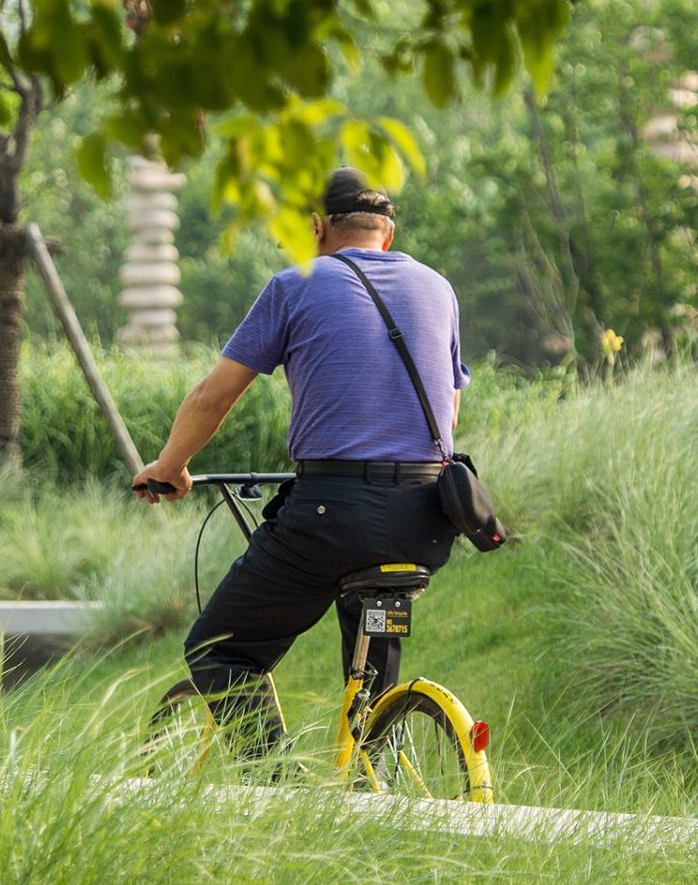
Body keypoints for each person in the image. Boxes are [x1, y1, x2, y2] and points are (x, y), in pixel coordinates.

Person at [132, 167, 467, 767]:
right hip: (429, 514)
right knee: (372, 687)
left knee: (220, 648)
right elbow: (450, 406)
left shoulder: (297, 285)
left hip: (332, 512)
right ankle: (375, 772)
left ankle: (274, 787)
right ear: (386, 234)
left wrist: (171, 465)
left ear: (317, 228)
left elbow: (215, 395)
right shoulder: (439, 288)